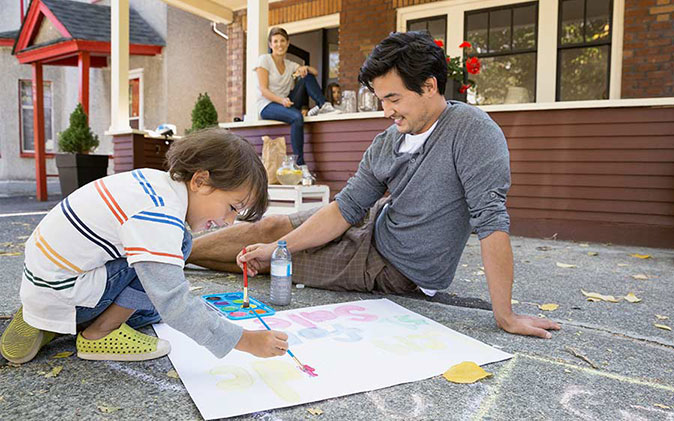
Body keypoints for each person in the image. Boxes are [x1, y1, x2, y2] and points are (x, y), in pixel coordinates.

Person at [188, 32, 560, 340]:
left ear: (429, 86)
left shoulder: (473, 133)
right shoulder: (388, 141)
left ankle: (171, 258)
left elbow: (491, 222)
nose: (386, 111)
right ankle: (171, 249)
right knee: (270, 229)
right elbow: (346, 208)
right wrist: (276, 244)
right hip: (373, 227)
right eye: (382, 99)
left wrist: (505, 315)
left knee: (275, 265)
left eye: (394, 98)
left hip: (392, 269)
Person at [0, 128, 289, 364]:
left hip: (45, 280)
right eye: (231, 207)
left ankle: (43, 317)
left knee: (151, 309)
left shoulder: (154, 183)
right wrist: (245, 340)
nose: (228, 222)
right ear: (200, 180)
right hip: (65, 290)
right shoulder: (160, 217)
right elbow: (175, 304)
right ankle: (99, 333)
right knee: (170, 278)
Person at [256, 27, 340, 167]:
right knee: (296, 117)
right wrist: (281, 100)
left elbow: (315, 72)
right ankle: (300, 164)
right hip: (268, 105)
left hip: (287, 102)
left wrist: (304, 68)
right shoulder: (264, 60)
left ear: (288, 43)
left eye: (282, 41)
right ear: (270, 44)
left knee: (306, 76)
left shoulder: (290, 64)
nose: (279, 44)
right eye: (275, 41)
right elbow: (263, 90)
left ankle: (323, 105)